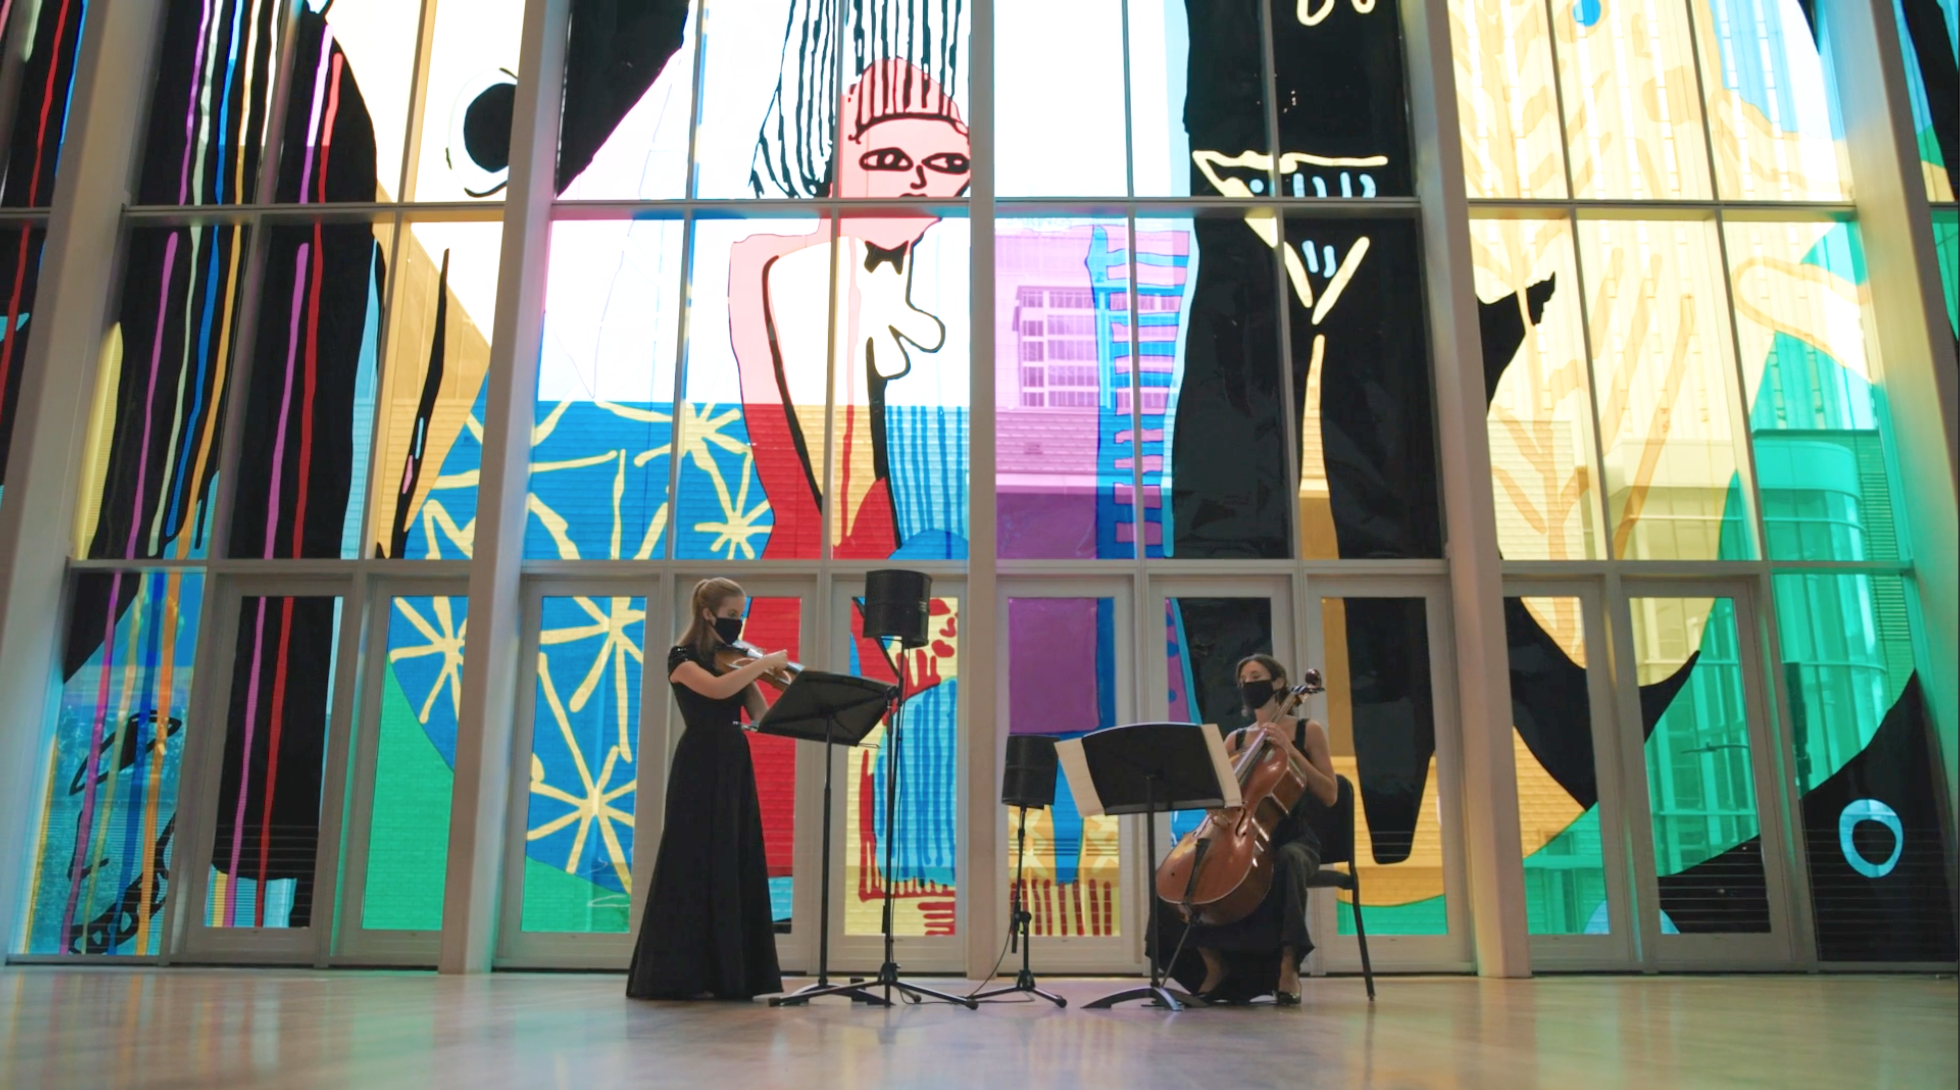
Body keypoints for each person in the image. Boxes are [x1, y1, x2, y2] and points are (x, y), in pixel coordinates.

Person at [627, 578, 790, 1001]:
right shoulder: (681, 658)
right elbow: (716, 690)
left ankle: (732, 976)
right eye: (732, 614)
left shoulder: (732, 659)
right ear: (706, 612)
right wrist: (759, 661)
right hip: (701, 760)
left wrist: (779, 680)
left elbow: (760, 714)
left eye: (741, 615)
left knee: (734, 854)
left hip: (734, 760)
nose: (738, 623)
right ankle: (677, 974)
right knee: (692, 857)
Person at [1160, 654, 1340, 1005]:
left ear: (1277, 683)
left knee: (1287, 860)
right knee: (1175, 876)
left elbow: (1330, 793)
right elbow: (1217, 792)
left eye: (1255, 677)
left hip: (1293, 837)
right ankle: (1213, 963)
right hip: (1240, 836)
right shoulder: (1237, 739)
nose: (1247, 685)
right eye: (1242, 680)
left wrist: (1289, 749)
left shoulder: (1307, 731)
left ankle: (1288, 967)